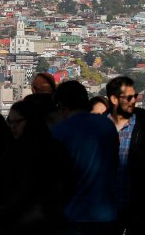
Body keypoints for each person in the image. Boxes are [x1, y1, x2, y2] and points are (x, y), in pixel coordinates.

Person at [52, 80, 119, 235]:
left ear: (62, 106)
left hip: (76, 213)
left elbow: (57, 175)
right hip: (107, 212)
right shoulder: (107, 125)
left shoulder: (61, 131)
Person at [0, 100, 68, 235]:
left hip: (33, 221)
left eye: (18, 122)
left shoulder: (30, 151)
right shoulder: (16, 147)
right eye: (10, 122)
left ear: (31, 121)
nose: (13, 127)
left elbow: (26, 188)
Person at [106, 76, 145, 235]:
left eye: (134, 96)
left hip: (138, 205)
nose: (133, 100)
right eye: (128, 97)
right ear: (114, 99)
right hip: (107, 206)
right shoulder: (99, 125)